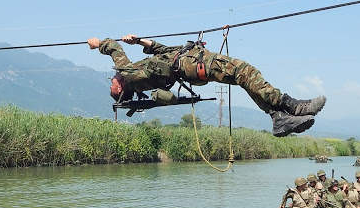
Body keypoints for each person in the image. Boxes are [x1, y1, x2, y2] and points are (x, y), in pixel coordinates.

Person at [87, 35, 326, 137]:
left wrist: (139, 41)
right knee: (245, 71)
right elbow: (114, 49)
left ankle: (278, 117)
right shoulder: (131, 76)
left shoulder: (141, 73)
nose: (113, 79)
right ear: (122, 88)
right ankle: (293, 106)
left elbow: (160, 49)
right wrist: (99, 43)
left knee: (243, 80)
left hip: (190, 62)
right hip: (193, 64)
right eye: (113, 84)